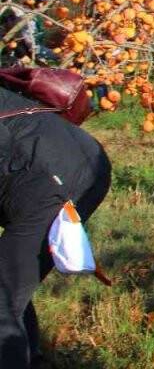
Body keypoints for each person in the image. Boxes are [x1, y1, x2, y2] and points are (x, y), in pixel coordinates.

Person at [0, 81, 109, 368]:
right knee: (11, 283)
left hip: (47, 177)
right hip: (84, 162)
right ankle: (32, 359)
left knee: (3, 301)